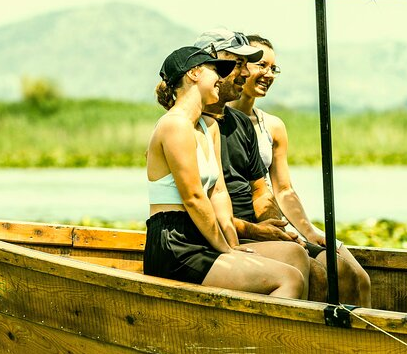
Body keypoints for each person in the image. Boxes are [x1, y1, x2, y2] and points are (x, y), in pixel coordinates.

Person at [144, 45, 307, 299]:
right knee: (288, 279)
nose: (222, 79)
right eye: (215, 71)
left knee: (294, 254)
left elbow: (218, 193)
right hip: (175, 243)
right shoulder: (174, 125)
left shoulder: (209, 126)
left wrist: (232, 243)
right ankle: (265, 338)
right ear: (194, 74)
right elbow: (194, 198)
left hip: (205, 236)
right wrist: (226, 250)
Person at [229, 34, 371, 307]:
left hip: (277, 216)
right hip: (245, 221)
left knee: (358, 276)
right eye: (261, 66)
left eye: (273, 68)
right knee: (327, 275)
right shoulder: (217, 121)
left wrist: (308, 231)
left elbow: (283, 189)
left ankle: (361, 341)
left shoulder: (272, 125)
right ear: (241, 67)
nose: (268, 74)